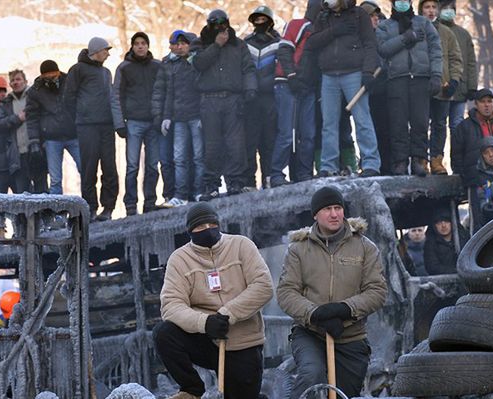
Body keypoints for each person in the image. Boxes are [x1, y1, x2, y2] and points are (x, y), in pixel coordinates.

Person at [153, 202, 273, 399]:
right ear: (190, 231)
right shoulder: (179, 259)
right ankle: (191, 389)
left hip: (243, 342)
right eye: (200, 227)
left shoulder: (242, 245)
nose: (207, 231)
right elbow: (171, 306)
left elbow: (263, 286)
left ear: (219, 224)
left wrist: (228, 314)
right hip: (205, 339)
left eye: (211, 225)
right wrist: (204, 322)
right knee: (164, 333)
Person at [276, 186, 387, 399]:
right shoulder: (298, 249)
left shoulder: (365, 247)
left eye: (338, 208)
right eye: (327, 209)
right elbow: (287, 292)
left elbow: (377, 291)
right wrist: (315, 314)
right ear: (315, 214)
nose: (334, 214)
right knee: (311, 375)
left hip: (351, 336)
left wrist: (344, 309)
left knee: (346, 393)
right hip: (310, 332)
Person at [307, 0, 382, 178]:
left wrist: (368, 71)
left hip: (354, 73)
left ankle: (371, 163)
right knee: (329, 123)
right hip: (328, 75)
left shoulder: (359, 14)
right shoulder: (323, 16)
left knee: (362, 119)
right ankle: (328, 165)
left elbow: (370, 43)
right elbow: (312, 42)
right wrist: (333, 32)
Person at [190, 9, 257, 200]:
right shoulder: (200, 42)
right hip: (209, 100)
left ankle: (235, 181)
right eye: (216, 24)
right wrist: (216, 45)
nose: (220, 27)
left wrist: (250, 89)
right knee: (212, 145)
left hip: (233, 99)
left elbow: (248, 68)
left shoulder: (238, 44)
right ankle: (211, 184)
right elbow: (198, 64)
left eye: (223, 23)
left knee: (236, 144)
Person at [377, 0, 443, 176]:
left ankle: (419, 160)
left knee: (420, 122)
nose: (402, 3)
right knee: (397, 123)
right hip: (396, 79)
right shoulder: (385, 26)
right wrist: (406, 38)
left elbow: (436, 50)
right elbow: (382, 49)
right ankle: (400, 162)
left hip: (421, 78)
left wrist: (436, 75)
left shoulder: (424, 23)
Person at [65, 37, 119, 222]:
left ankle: (108, 207)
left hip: (106, 125)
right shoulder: (78, 69)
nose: (108, 53)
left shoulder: (106, 72)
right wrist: (77, 119)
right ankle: (90, 208)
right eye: (105, 50)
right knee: (89, 168)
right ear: (96, 50)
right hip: (86, 126)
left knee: (110, 167)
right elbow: (69, 97)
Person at [451, 88, 493, 233]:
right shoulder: (465, 127)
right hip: (477, 181)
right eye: (483, 102)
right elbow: (456, 155)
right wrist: (467, 177)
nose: (486, 105)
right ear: (476, 104)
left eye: (489, 101)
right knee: (480, 222)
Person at [270, 0, 322, 187]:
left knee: (308, 133)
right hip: (287, 84)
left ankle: (304, 173)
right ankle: (276, 174)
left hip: (308, 88)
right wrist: (291, 75)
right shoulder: (298, 25)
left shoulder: (322, 30)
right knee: (287, 132)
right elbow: (284, 49)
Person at [112, 32, 161, 216]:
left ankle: (150, 202)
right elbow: (116, 96)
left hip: (153, 123)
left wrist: (161, 118)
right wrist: (119, 123)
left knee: (152, 165)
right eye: (137, 43)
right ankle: (130, 204)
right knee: (132, 166)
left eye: (143, 43)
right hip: (133, 122)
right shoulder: (124, 68)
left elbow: (163, 91)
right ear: (132, 46)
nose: (140, 46)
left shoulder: (157, 66)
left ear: (148, 46)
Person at [152, 31, 204, 208]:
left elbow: (203, 89)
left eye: (184, 43)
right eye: (177, 44)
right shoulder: (173, 65)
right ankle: (181, 194)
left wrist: (203, 115)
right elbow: (169, 94)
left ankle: (198, 192)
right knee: (179, 158)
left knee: (198, 157)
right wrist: (166, 117)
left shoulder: (198, 63)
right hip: (179, 118)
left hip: (196, 116)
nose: (180, 47)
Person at [419, 0, 463, 175]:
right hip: (420, 87)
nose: (431, 11)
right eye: (427, 7)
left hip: (442, 88)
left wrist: (454, 81)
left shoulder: (447, 33)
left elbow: (455, 59)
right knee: (420, 125)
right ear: (421, 9)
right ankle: (420, 159)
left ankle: (436, 160)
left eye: (433, 7)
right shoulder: (416, 30)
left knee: (439, 125)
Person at [26, 60, 81, 195]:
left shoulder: (70, 83)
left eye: (53, 76)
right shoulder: (35, 91)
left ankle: (88, 207)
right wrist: (34, 141)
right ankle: (57, 212)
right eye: (47, 77)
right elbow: (32, 117)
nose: (51, 80)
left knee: (85, 171)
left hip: (72, 134)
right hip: (52, 138)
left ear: (58, 73)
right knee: (55, 179)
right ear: (42, 77)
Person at [0, 69, 48, 194]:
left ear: (25, 81)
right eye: (12, 80)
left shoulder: (35, 97)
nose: (15, 82)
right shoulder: (6, 103)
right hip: (17, 155)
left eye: (18, 79)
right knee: (21, 193)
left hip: (36, 150)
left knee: (42, 191)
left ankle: (44, 214)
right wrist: (17, 118)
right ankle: (24, 215)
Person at [243, 6, 281, 190]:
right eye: (256, 20)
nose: (259, 23)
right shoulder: (246, 43)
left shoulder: (278, 42)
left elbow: (280, 67)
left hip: (270, 98)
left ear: (270, 21)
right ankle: (250, 182)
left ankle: (269, 178)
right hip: (250, 99)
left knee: (269, 141)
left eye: (262, 19)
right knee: (250, 142)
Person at [360, 1, 391, 175]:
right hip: (365, 89)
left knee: (384, 128)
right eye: (372, 16)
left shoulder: (383, 33)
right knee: (366, 129)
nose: (376, 19)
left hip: (383, 89)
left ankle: (386, 166)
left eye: (377, 16)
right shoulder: (358, 35)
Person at [439, 0, 478, 135]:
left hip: (460, 88)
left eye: (451, 8)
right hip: (440, 89)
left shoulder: (463, 34)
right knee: (439, 124)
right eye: (445, 7)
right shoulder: (434, 30)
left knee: (457, 125)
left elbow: (471, 62)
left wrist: (472, 87)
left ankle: (457, 156)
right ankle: (436, 156)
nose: (448, 10)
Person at [423, 208, 468, 275]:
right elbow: (432, 267)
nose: (443, 225)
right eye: (439, 222)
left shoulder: (463, 238)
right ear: (434, 225)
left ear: (452, 223)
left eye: (446, 221)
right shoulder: (430, 244)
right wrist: (455, 271)